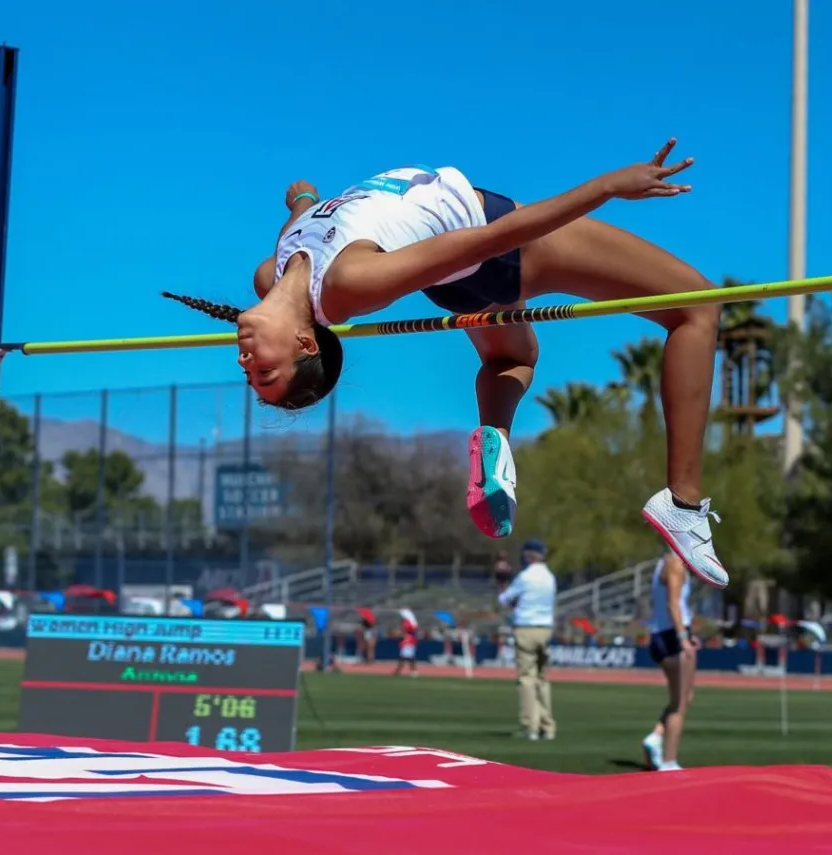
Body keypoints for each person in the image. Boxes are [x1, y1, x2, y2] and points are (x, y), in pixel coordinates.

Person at [163, 144, 727, 588]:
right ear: (306, 345)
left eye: (251, 373)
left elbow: (308, 218)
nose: (244, 362)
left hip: (459, 280)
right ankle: (681, 503)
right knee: (698, 307)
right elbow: (493, 237)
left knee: (514, 356)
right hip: (497, 248)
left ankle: (496, 440)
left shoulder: (273, 274)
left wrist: (302, 198)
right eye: (265, 373)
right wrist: (606, 187)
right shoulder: (349, 284)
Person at [641, 552, 697, 772]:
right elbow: (673, 604)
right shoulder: (675, 563)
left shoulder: (664, 561)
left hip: (665, 632)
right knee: (678, 704)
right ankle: (669, 761)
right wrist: (683, 638)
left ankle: (656, 736)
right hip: (670, 636)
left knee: (685, 696)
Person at [498, 539, 557, 740]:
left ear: (529, 555)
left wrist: (502, 580)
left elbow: (504, 599)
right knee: (542, 678)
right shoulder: (550, 577)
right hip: (545, 628)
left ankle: (530, 726)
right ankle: (547, 726)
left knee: (526, 678)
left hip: (526, 627)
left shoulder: (525, 577)